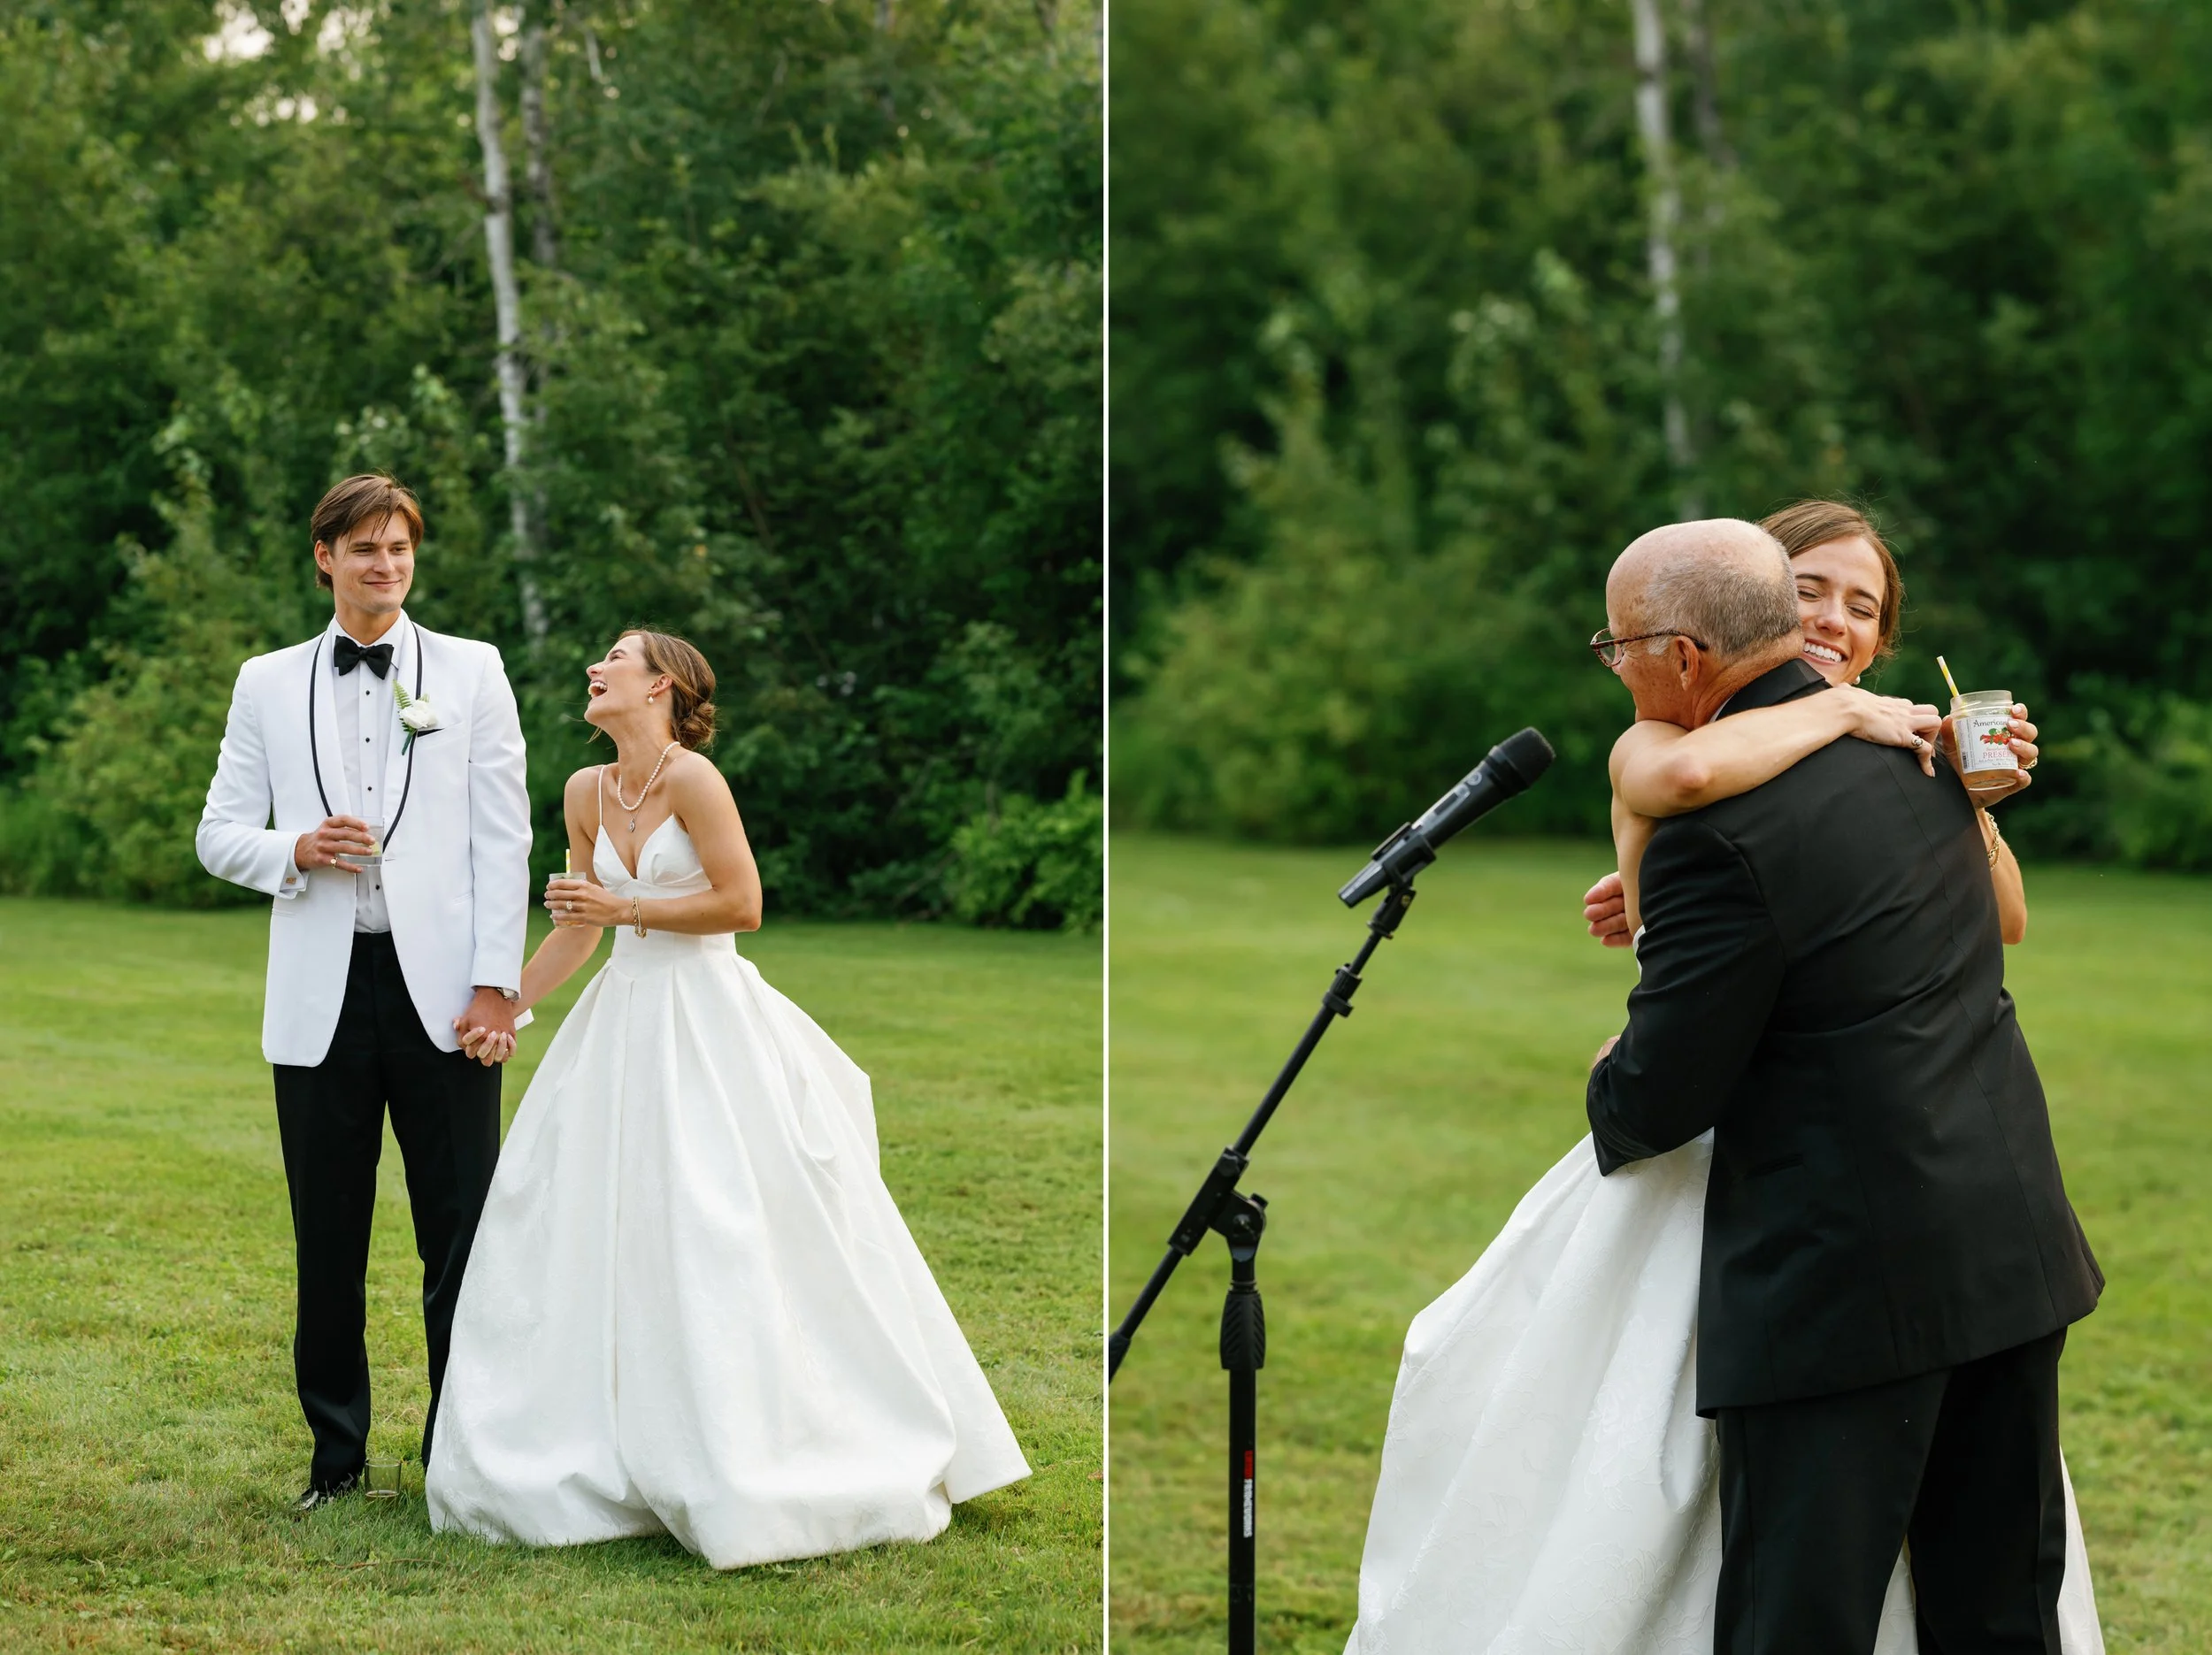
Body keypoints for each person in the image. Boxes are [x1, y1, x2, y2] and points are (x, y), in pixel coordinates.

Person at [1345, 517, 2103, 1653]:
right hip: (2007, 1242)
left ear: (1687, 657)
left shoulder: (1719, 829)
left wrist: (1612, 1077)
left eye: (1621, 650)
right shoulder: (1929, 759)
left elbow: (1663, 1095)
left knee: (1799, 1617)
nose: (1621, 671)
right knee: (1999, 1611)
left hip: (1846, 1284)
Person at [426, 630, 1032, 1568]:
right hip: (618, 1023)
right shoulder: (586, 791)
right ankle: (600, 1436)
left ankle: (754, 1438)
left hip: (706, 1024)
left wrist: (624, 907)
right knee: (587, 1220)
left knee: (718, 1222)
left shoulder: (695, 781)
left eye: (613, 658)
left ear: (659, 685)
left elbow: (742, 903)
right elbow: (582, 932)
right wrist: (508, 1001)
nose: (595, 668)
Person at [196, 473, 530, 1513]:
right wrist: (293, 847)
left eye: (399, 548)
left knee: (461, 1236)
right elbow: (217, 834)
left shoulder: (471, 670)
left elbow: (502, 835)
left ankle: (456, 1460)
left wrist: (495, 986)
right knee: (328, 1238)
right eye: (365, 548)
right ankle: (334, 1460)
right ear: (324, 558)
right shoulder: (265, 680)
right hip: (321, 997)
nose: (385, 564)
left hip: (445, 998)